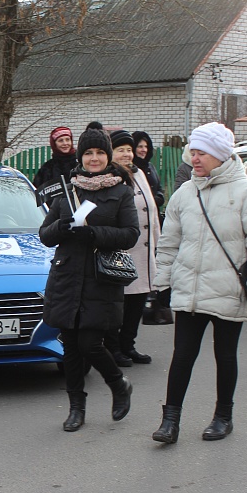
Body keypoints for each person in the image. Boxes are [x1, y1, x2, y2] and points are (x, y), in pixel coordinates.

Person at [151, 123, 247, 444]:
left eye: (202, 153)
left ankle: (223, 416)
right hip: (190, 290)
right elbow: (168, 244)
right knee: (182, 355)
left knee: (225, 355)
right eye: (192, 152)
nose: (194, 158)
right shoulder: (184, 194)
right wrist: (162, 284)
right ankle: (170, 421)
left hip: (228, 289)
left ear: (221, 155)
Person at [40, 123, 139, 432]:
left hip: (100, 279)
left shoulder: (121, 191)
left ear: (107, 156)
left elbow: (130, 234)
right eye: (88, 153)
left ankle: (118, 384)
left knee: (90, 343)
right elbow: (45, 234)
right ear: (80, 157)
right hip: (67, 276)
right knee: (70, 347)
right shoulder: (68, 191)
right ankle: (76, 407)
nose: (93, 159)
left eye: (99, 153)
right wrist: (63, 227)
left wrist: (94, 232)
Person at [104, 129, 161, 366]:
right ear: (112, 153)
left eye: (129, 149)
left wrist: (157, 243)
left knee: (137, 302)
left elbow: (151, 211)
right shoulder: (110, 177)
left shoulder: (139, 173)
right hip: (123, 252)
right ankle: (113, 347)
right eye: (121, 150)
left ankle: (129, 344)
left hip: (144, 251)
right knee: (119, 304)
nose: (127, 154)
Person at [33, 126, 78, 205]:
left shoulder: (80, 164)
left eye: (68, 139)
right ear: (54, 144)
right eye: (61, 140)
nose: (65, 143)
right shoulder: (47, 168)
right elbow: (38, 196)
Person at [130, 131, 165, 213]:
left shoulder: (150, 166)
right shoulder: (131, 168)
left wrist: (159, 197)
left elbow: (158, 188)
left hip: (153, 213)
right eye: (140, 146)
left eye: (146, 146)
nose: (144, 150)